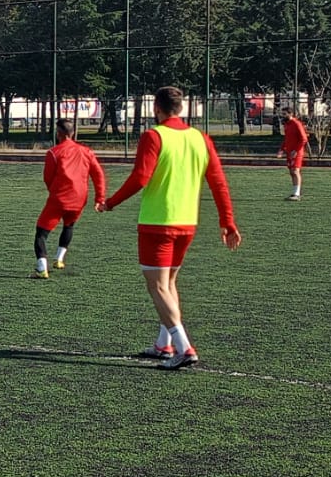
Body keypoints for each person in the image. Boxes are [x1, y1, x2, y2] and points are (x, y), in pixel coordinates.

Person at [99, 85, 241, 370]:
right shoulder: (200, 138)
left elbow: (140, 177)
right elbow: (218, 182)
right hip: (187, 223)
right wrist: (227, 221)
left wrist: (110, 202)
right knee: (169, 284)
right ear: (181, 108)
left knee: (158, 286)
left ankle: (184, 347)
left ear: (156, 109)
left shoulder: (154, 136)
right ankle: (163, 344)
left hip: (157, 223)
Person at [34, 118, 108, 278]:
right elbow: (98, 174)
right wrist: (99, 198)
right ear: (72, 133)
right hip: (80, 198)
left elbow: (48, 177)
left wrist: (54, 191)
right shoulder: (86, 152)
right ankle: (59, 259)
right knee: (69, 225)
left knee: (41, 233)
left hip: (60, 198)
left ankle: (41, 269)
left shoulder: (54, 152)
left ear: (58, 133)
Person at [279, 106, 309, 201]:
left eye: (284, 114)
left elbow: (304, 139)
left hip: (296, 152)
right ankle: (296, 191)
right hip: (289, 152)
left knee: (295, 171)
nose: (282, 116)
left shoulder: (296, 124)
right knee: (292, 172)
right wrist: (282, 149)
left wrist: (296, 150)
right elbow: (287, 139)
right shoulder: (287, 124)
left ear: (290, 114)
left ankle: (297, 194)